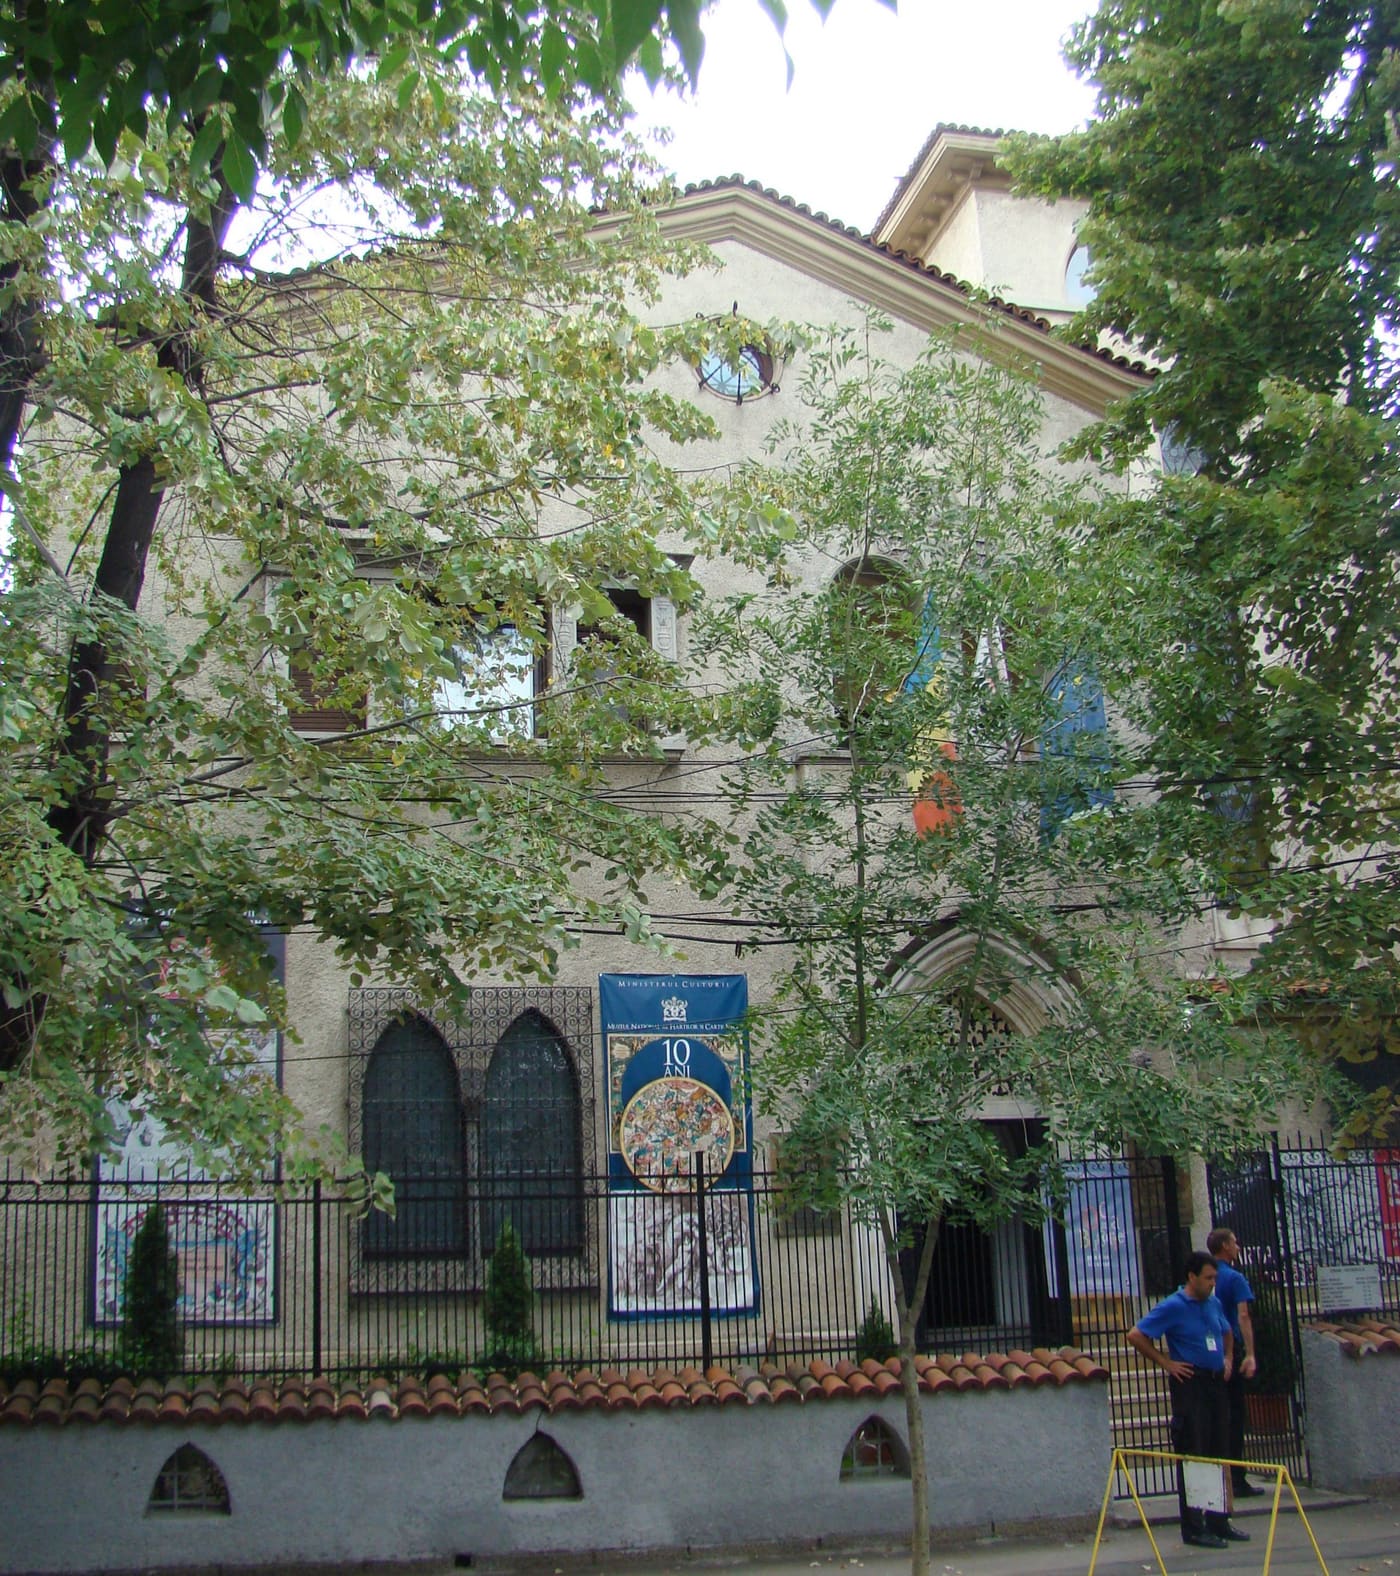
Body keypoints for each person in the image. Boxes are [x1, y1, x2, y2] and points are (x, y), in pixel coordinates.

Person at [1126, 1250, 1251, 1550]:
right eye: (1207, 1278)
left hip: (1214, 1380)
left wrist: (1229, 1358)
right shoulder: (1174, 1305)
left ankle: (1219, 1519)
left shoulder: (1213, 1302)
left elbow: (1227, 1331)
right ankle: (1194, 1526)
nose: (1212, 1283)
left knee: (1218, 1450)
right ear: (1192, 1277)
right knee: (1195, 1451)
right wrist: (1166, 1362)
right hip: (1190, 1383)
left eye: (1214, 1278)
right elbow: (1136, 1335)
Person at [1208, 1226, 1264, 1497]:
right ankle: (1237, 1479)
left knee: (1216, 1414)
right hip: (1231, 1347)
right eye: (1234, 1242)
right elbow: (1243, 1316)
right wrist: (1250, 1353)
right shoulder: (1234, 1278)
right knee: (1235, 1415)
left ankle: (1220, 1476)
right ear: (1225, 1247)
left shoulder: (1205, 1276)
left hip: (1209, 1349)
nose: (1238, 1246)